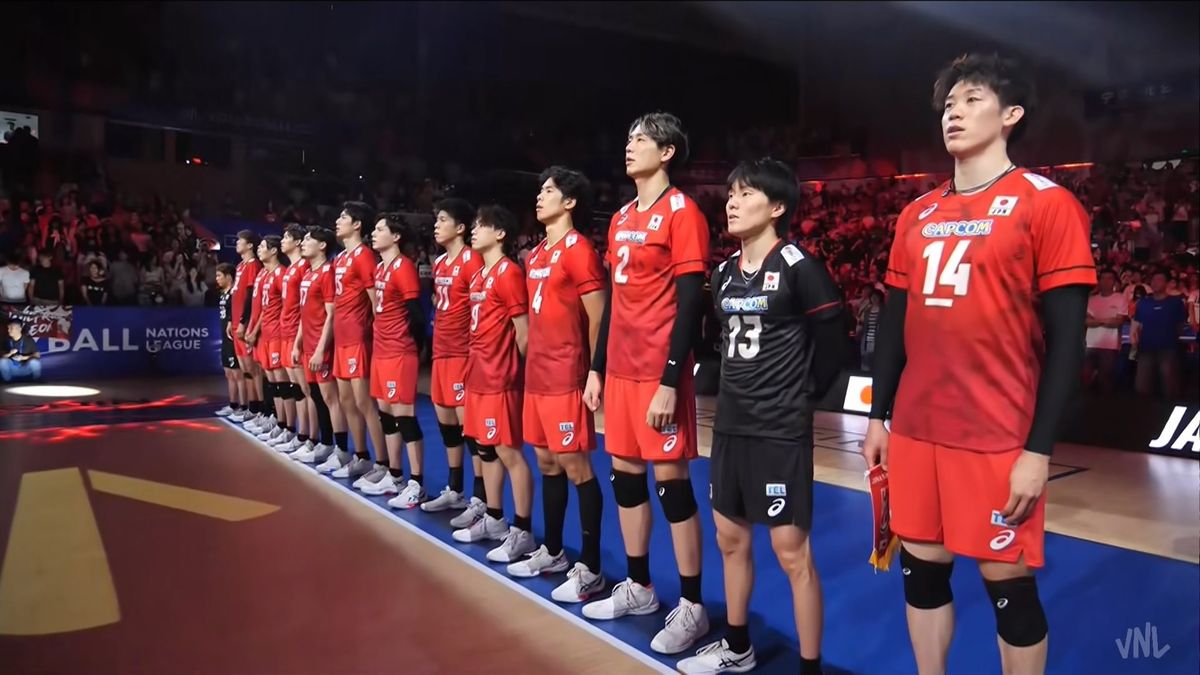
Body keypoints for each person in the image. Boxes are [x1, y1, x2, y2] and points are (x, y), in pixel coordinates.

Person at [861, 53, 1096, 675]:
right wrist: (878, 418)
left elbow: (1067, 343)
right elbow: (894, 328)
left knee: (1008, 587)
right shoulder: (915, 214)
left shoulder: (1046, 203)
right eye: (948, 104)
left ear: (1011, 114)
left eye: (971, 100)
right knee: (921, 571)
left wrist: (1038, 452)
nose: (954, 114)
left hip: (997, 435)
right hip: (916, 431)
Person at [677, 159, 845, 675]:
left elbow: (833, 343)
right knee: (730, 541)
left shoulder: (799, 266)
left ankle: (810, 668)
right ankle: (737, 647)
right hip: (731, 426)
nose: (731, 202)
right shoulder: (724, 273)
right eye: (731, 193)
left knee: (791, 552)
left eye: (745, 193)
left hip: (779, 431)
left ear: (776, 207)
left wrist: (801, 396)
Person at [582, 111, 711, 655]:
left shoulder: (683, 213)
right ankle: (639, 587)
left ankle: (694, 606)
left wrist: (671, 379)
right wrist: (596, 367)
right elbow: (614, 300)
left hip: (659, 374)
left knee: (672, 486)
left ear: (667, 152)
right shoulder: (619, 218)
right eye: (629, 137)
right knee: (627, 481)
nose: (630, 146)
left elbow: (691, 302)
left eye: (641, 139)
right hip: (620, 371)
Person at [506, 166, 610, 605]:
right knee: (547, 463)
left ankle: (591, 568)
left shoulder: (579, 250)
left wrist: (594, 371)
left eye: (549, 191)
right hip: (537, 375)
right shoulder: (534, 255)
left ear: (569, 202)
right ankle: (552, 551)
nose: (540, 196)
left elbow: (599, 317)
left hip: (568, 373)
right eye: (540, 190)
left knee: (576, 466)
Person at [452, 205, 538, 566]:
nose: (474, 230)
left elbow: (524, 333)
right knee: (485, 450)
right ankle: (494, 516)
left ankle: (523, 529)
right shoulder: (478, 275)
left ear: (500, 233)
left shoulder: (509, 273)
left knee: (509, 453)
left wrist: (510, 370)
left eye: (482, 225)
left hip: (499, 379)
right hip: (477, 376)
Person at [421, 198, 489, 529]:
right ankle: (455, 490)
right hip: (441, 351)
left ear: (460, 227)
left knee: (470, 431)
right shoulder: (439, 263)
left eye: (443, 220)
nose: (436, 225)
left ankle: (480, 500)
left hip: (464, 354)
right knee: (447, 425)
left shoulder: (472, 260)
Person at [359, 213, 429, 508]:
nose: (373, 233)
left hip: (400, 351)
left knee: (405, 416)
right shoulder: (380, 268)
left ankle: (417, 484)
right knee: (386, 414)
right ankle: (396, 476)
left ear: (396, 236)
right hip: (381, 350)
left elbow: (417, 315)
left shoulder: (404, 267)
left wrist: (415, 347)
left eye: (380, 229)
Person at [328, 201, 386, 481]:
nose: (338, 221)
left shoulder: (365, 256)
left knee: (365, 403)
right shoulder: (339, 258)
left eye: (343, 217)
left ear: (357, 225)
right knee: (346, 400)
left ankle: (383, 464)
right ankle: (361, 457)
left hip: (358, 339)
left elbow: (376, 302)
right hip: (341, 339)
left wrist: (376, 336)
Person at [297, 227, 345, 468]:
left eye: (308, 239)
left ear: (323, 245)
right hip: (308, 345)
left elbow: (331, 315)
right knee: (316, 395)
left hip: (321, 346)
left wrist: (320, 349)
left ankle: (342, 450)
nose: (303, 243)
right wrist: (298, 344)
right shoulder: (308, 273)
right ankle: (325, 444)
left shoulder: (328, 272)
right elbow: (304, 314)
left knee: (330, 397)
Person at [246, 235, 296, 448]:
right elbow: (263, 308)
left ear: (274, 251)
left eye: (263, 246)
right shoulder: (264, 274)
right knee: (274, 383)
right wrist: (254, 330)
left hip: (277, 334)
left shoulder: (281, 274)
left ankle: (289, 428)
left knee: (282, 382)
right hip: (265, 333)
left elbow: (287, 306)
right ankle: (279, 421)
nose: (259, 249)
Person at [275, 225, 314, 455]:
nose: (283, 241)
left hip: (298, 334)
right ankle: (300, 434)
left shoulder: (303, 267)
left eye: (287, 237)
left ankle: (311, 439)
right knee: (296, 388)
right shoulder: (291, 268)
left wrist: (299, 338)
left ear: (298, 242)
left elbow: (305, 306)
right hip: (286, 332)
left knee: (306, 389)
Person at [1132, 270, 1187, 400]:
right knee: (1141, 386)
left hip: (1168, 348)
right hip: (1146, 348)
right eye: (1153, 280)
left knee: (1169, 385)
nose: (1155, 282)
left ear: (1167, 283)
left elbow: (1180, 326)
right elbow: (1137, 325)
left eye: (1159, 280)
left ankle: (1170, 408)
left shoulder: (1175, 302)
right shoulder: (1143, 303)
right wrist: (1134, 342)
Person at [230, 231, 263, 424]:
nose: (237, 243)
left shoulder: (253, 265)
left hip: (245, 325)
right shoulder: (240, 266)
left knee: (254, 369)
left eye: (239, 240)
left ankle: (260, 409)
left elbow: (251, 297)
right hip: (235, 324)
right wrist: (231, 321)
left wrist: (244, 322)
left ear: (250, 245)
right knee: (245, 369)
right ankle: (252, 407)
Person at [1084, 268, 1127, 392]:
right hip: (1090, 344)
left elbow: (1118, 321)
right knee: (1085, 377)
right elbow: (1086, 322)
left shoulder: (1120, 298)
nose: (1105, 281)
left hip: (1110, 346)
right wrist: (1107, 320)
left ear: (1114, 281)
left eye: (1109, 278)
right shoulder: (1091, 299)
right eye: (1102, 278)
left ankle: (1105, 402)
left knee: (1106, 379)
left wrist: (1096, 320)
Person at [213, 263, 243, 417]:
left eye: (219, 275)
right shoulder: (223, 294)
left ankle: (244, 407)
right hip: (224, 338)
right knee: (228, 373)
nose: (217, 279)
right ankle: (233, 404)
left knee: (238, 374)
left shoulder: (234, 293)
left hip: (233, 338)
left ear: (229, 277)